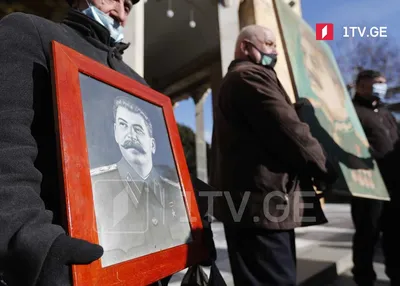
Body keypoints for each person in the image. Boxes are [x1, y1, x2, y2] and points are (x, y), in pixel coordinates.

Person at [0, 0, 160, 285]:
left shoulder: (139, 84)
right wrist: (38, 248)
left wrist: (191, 212)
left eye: (131, 3)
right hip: (67, 267)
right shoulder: (31, 33)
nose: (124, 7)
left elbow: (157, 169)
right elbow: (9, 152)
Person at [209, 25, 337, 285]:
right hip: (263, 207)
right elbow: (287, 129)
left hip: (256, 206)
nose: (275, 51)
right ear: (245, 47)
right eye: (268, 44)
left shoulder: (240, 79)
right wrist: (324, 167)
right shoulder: (250, 77)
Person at [90, 96, 191, 267]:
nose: (129, 134)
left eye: (137, 128)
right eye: (123, 125)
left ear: (152, 145)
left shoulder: (175, 192)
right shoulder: (95, 186)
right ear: (116, 133)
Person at [351, 69, 400, 286]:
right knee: (367, 235)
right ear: (361, 86)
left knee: (394, 235)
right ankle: (364, 279)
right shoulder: (352, 113)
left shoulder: (386, 113)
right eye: (376, 83)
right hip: (368, 185)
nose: (382, 86)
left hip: (394, 185)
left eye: (383, 82)